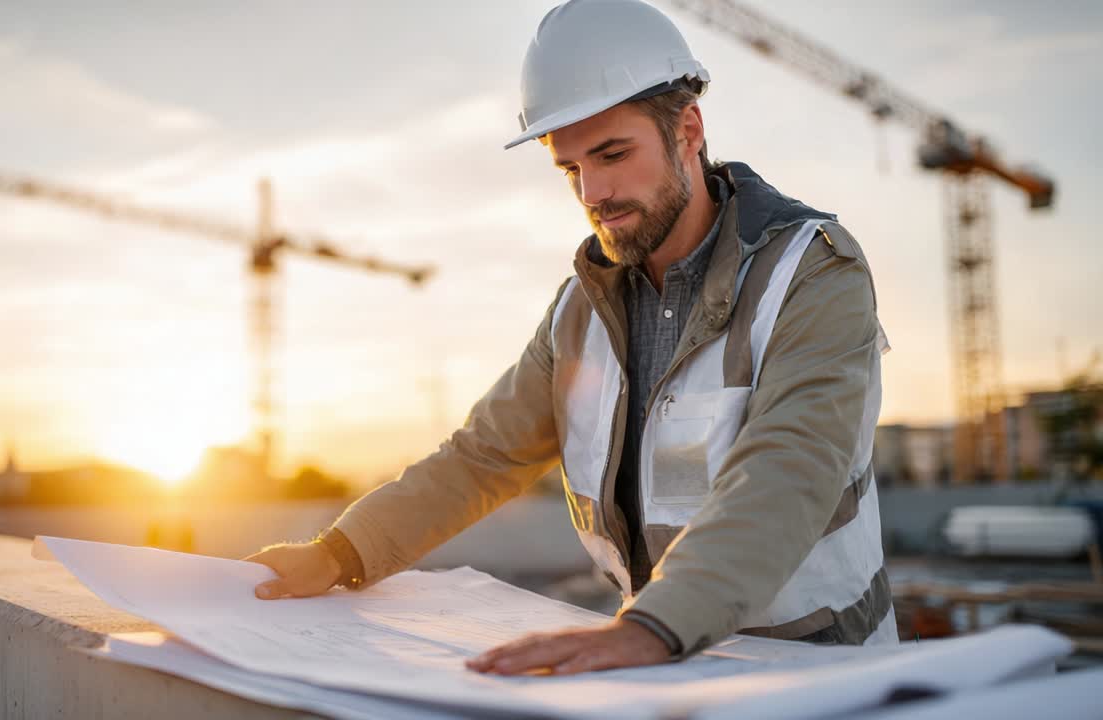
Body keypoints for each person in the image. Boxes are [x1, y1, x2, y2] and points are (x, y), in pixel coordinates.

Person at [245, 0, 896, 676]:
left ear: (689, 131)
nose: (594, 191)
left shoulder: (812, 274)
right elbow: (481, 458)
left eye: (614, 154)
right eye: (570, 168)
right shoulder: (579, 311)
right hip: (661, 668)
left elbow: (790, 472)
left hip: (821, 677)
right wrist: (338, 555)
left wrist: (651, 627)